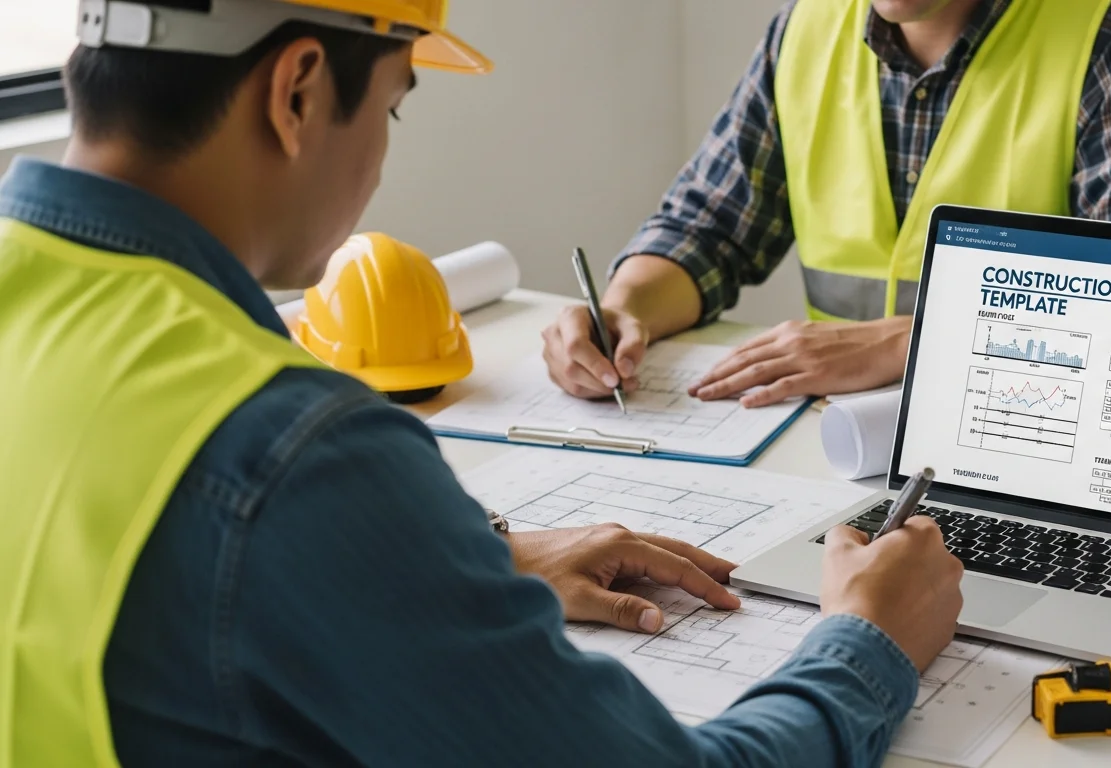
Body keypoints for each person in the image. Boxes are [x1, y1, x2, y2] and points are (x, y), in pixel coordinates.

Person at [0, 1, 964, 766]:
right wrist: (869, 642)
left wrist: (464, 564)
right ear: (296, 91)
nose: (382, 157)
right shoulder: (295, 451)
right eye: (393, 105)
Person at [542, 0, 1111, 408]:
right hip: (833, 443)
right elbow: (710, 227)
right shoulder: (806, 30)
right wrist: (624, 310)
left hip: (1019, 444)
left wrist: (910, 342)